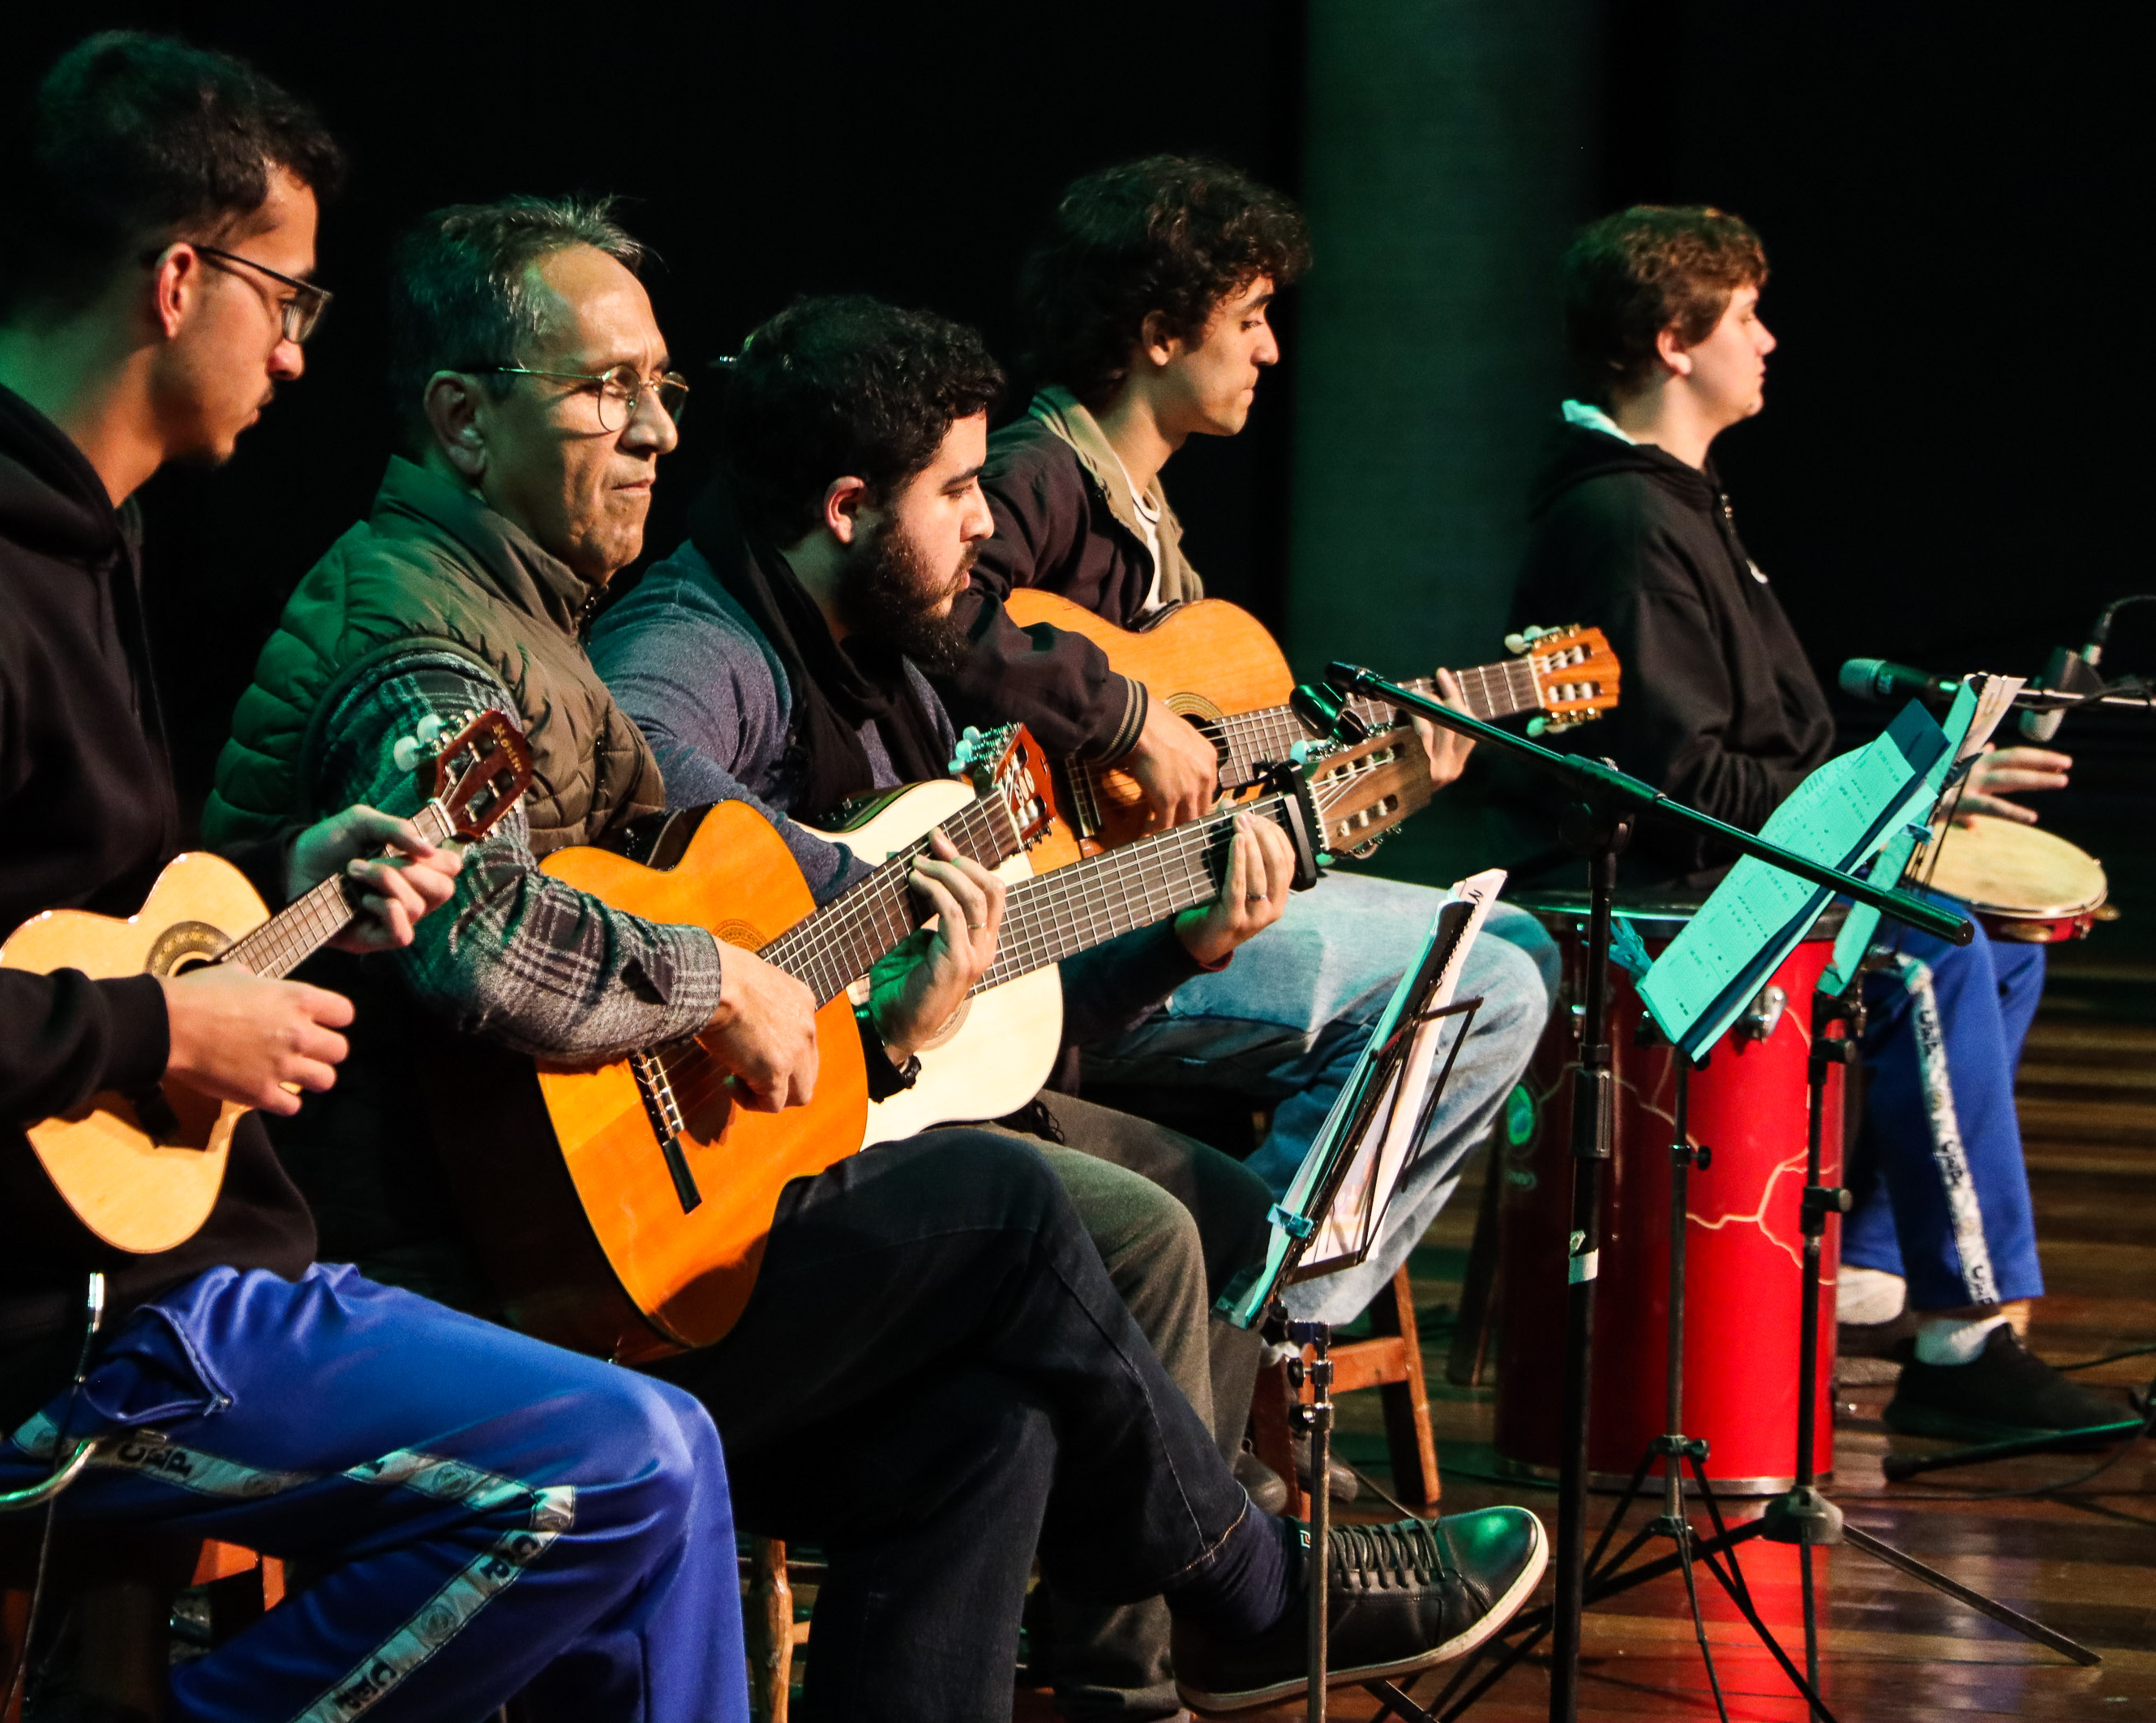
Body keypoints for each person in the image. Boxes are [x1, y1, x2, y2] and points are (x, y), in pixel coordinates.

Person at [202, 196, 1547, 1720]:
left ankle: (1201, 1615)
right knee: (1016, 1204)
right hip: (468, 1286)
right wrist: (727, 985)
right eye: (603, 390)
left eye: (664, 390)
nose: (652, 432)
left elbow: (735, 965)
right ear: (460, 418)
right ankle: (1244, 1586)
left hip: (595, 1236)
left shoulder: (536, 620)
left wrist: (906, 1027)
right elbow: (481, 931)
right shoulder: (432, 641)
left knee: (988, 1432)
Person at [0, 34, 756, 1722]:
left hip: (129, 1271)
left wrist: (295, 873)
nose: (295, 343)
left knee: (671, 1457)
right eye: (286, 294)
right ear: (178, 277)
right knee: (622, 1469)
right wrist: (159, 1037)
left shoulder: (58, 535)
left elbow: (35, 910)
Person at [593, 291, 1309, 1722]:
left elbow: (1012, 1010)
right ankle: (1164, 1648)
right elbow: (646, 775)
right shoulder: (702, 636)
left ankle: (1167, 1624)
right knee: (1134, 1232)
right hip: (742, 1170)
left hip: (889, 1094)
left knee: (1225, 1214)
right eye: (962, 489)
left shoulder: (901, 653)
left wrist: (1180, 943)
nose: (990, 524)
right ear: (851, 506)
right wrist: (864, 888)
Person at [1495, 203, 2134, 1445]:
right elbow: (1675, 780)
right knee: (1934, 947)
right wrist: (1875, 811)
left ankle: (1875, 1262)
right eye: (1745, 316)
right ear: (1676, 342)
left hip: (1735, 868)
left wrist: (1919, 792)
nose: (1770, 340)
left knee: (2003, 944)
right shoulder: (1621, 524)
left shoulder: (1679, 504)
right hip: (1677, 905)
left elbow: (1761, 746)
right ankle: (1967, 1334)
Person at [942, 156, 1556, 1327]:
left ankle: (1262, 1294)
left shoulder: (1149, 520)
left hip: (1153, 900)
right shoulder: (1037, 472)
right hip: (1056, 931)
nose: (1271, 351)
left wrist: (1392, 778)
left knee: (1508, 941)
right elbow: (948, 618)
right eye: (1251, 317)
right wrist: (1127, 718)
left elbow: (1218, 785)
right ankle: (1259, 1324)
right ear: (1164, 332)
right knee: (1490, 987)